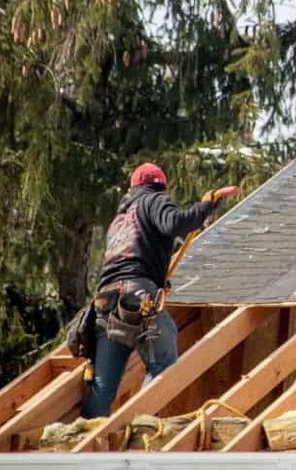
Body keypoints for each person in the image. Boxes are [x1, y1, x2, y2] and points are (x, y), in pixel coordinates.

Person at [82, 162, 221, 417]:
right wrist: (205, 207)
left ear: (132, 188)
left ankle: (87, 442)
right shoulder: (154, 200)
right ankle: (140, 427)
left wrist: (156, 278)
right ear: (162, 187)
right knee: (163, 363)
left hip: (106, 302)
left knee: (102, 389)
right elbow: (174, 224)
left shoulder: (121, 218)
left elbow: (132, 255)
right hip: (136, 296)